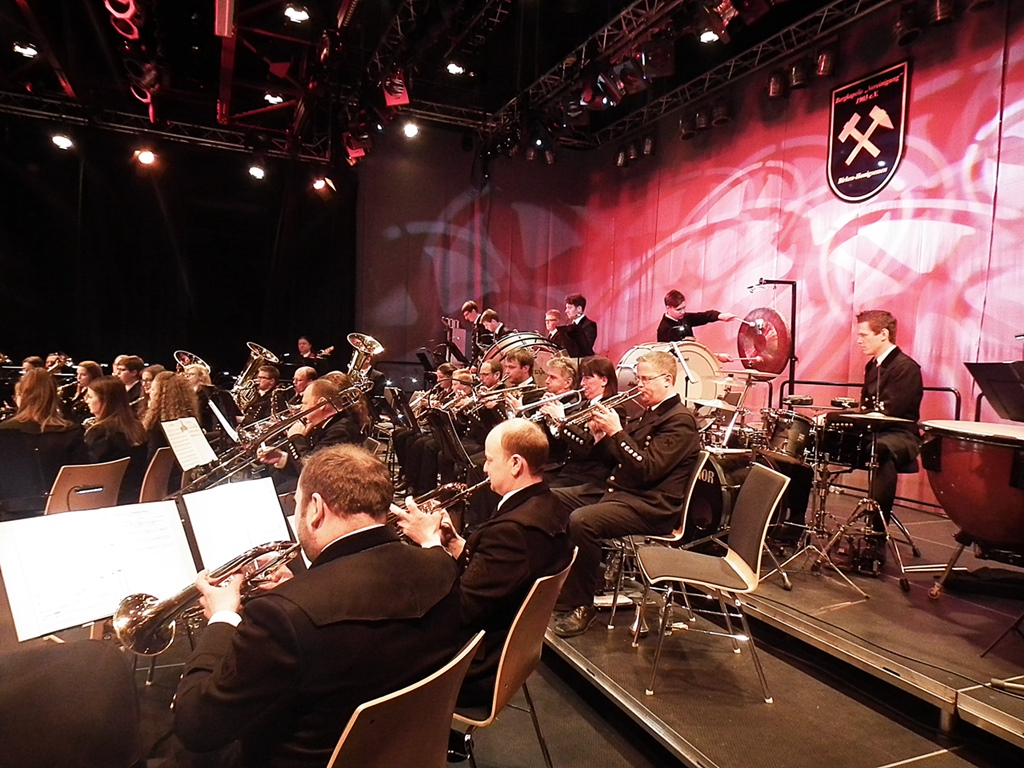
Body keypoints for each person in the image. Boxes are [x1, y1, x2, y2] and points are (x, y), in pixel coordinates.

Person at [173, 444, 463, 768]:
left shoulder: (280, 617)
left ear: (315, 508)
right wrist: (295, 591)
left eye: (296, 505)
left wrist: (223, 618)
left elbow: (197, 726)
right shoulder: (441, 565)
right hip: (409, 750)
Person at [395, 418, 572, 708]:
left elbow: (460, 611)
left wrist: (430, 543)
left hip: (475, 663)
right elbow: (500, 574)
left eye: (490, 460)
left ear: (516, 464)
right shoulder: (549, 507)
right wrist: (453, 543)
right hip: (504, 646)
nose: (485, 468)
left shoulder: (513, 531)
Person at [550, 350, 700, 638]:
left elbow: (648, 469)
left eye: (645, 379)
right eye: (638, 378)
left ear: (668, 380)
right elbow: (618, 459)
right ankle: (562, 585)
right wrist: (601, 436)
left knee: (583, 521)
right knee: (550, 498)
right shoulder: (652, 413)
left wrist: (617, 432)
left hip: (652, 505)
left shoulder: (679, 421)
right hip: (625, 492)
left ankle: (584, 603)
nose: (639, 385)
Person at [854, 309, 923, 536]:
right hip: (875, 429)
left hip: (901, 434)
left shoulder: (906, 368)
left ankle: (877, 531)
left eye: (863, 335)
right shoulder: (872, 365)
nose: (859, 340)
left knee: (879, 450)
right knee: (816, 440)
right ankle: (794, 523)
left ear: (883, 334)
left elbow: (890, 413)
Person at [0, 369, 89, 517]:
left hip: (12, 518)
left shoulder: (4, 432)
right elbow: (83, 481)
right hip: (65, 514)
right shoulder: (72, 432)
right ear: (53, 398)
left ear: (22, 397)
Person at [258, 376, 365, 482]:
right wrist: (281, 457)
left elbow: (310, 470)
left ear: (321, 403)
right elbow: (305, 460)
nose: (301, 409)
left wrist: (296, 438)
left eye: (305, 403)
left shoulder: (340, 430)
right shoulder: (326, 423)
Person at [83, 376, 148, 504]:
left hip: (105, 498)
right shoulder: (136, 426)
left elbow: (90, 472)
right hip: (133, 494)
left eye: (90, 397)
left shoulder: (100, 432)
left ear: (105, 400)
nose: (86, 401)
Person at [657, 289, 737, 342]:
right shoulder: (664, 329)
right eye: (678, 309)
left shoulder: (685, 318)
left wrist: (720, 316)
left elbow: (704, 316)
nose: (683, 312)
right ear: (668, 308)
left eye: (684, 308)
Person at [560, 293, 597, 357]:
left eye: (569, 308)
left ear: (579, 309)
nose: (566, 311)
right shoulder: (569, 326)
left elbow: (586, 348)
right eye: (566, 308)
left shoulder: (590, 325)